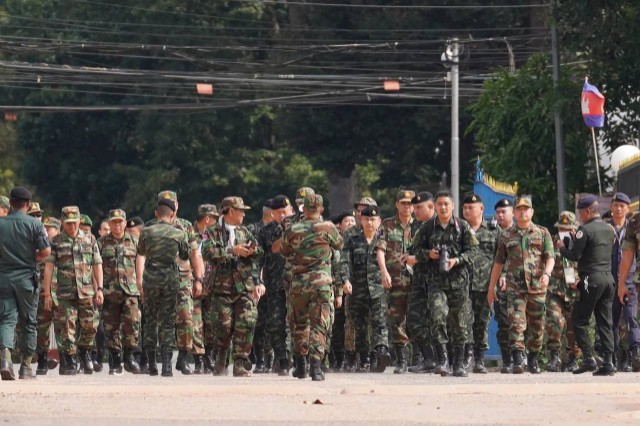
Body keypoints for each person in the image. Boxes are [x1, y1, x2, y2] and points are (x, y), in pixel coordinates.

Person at [413, 189, 478, 377]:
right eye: (440, 204)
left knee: (459, 322)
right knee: (437, 315)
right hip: (436, 283)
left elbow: (474, 251)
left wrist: (457, 260)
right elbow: (413, 250)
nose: (443, 208)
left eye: (446, 204)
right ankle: (442, 361)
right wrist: (428, 254)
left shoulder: (462, 227)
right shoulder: (427, 228)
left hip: (458, 283)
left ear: (452, 206)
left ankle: (458, 363)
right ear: (435, 206)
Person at [488, 196, 554, 375]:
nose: (523, 212)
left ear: (532, 212)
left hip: (537, 287)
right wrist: (491, 288)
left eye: (526, 209)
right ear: (515, 213)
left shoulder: (542, 233)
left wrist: (547, 273)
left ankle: (533, 359)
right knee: (516, 323)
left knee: (537, 326)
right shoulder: (506, 235)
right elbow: (498, 263)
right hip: (515, 288)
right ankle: (518, 358)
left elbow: (550, 257)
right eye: (519, 209)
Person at [281, 193, 343, 381]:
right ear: (321, 209)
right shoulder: (328, 227)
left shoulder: (293, 228)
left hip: (299, 284)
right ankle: (316, 368)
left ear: (304, 209)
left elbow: (284, 251)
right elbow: (339, 244)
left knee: (299, 324)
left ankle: (301, 367)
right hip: (321, 284)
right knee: (319, 325)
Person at [202, 196, 264, 377]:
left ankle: (240, 362)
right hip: (221, 287)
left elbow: (260, 252)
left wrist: (252, 251)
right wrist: (232, 250)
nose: (243, 214)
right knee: (222, 326)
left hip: (244, 286)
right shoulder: (212, 231)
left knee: (247, 322)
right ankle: (221, 358)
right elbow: (207, 252)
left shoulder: (244, 231)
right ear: (230, 211)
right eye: (240, 211)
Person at [558, 194, 616, 375]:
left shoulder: (584, 230)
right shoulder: (608, 228)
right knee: (604, 321)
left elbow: (574, 255)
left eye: (581, 212)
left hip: (591, 278)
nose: (580, 216)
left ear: (589, 211)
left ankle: (589, 358)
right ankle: (608, 362)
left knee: (579, 319)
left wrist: (561, 247)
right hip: (608, 278)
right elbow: (596, 249)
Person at [44, 206, 103, 375]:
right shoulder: (56, 242)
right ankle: (70, 360)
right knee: (67, 327)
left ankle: (84, 351)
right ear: (62, 222)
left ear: (79, 221)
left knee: (90, 325)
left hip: (86, 291)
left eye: (74, 222)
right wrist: (48, 293)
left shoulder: (90, 239)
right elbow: (49, 267)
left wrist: (99, 288)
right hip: (65, 292)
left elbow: (97, 264)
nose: (72, 226)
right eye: (68, 223)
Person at [0, 187, 51, 380]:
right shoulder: (35, 224)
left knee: (6, 319)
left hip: (4, 278)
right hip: (27, 280)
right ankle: (26, 367)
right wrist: (35, 256)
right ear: (28, 204)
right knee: (29, 321)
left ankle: (5, 360)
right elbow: (46, 251)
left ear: (10, 203)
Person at [136, 198, 191, 377]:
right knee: (168, 322)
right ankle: (167, 365)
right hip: (170, 281)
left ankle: (152, 364)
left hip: (151, 281)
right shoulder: (179, 233)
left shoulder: (146, 232)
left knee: (150, 321)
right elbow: (185, 254)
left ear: (156, 213)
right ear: (173, 214)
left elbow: (141, 251)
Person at [341, 205, 391, 373]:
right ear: (361, 220)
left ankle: (381, 352)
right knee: (360, 325)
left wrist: (386, 275)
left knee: (380, 321)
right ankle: (364, 359)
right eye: (366, 219)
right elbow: (345, 261)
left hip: (377, 288)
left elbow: (387, 258)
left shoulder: (383, 237)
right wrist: (345, 280)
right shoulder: (352, 239)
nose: (370, 223)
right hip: (358, 288)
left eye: (373, 220)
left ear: (379, 221)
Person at [97, 209, 141, 375]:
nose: (117, 225)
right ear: (109, 223)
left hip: (130, 290)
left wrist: (141, 284)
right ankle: (115, 360)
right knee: (111, 327)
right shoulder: (101, 243)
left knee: (132, 322)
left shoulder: (135, 241)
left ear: (125, 222)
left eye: (120, 221)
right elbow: (96, 266)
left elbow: (141, 263)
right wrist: (98, 288)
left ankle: (129, 356)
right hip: (109, 291)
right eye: (114, 222)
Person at [376, 190, 415, 374]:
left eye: (410, 203)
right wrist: (384, 272)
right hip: (395, 279)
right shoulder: (387, 225)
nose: (407, 206)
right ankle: (402, 360)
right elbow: (380, 250)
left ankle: (419, 358)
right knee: (396, 319)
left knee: (417, 319)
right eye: (403, 203)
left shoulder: (420, 225)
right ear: (397, 204)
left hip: (416, 280)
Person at [461, 194, 499, 374]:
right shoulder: (459, 229)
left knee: (482, 322)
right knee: (465, 320)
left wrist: (500, 279)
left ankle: (480, 358)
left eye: (471, 207)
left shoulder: (493, 231)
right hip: (463, 284)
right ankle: (468, 356)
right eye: (465, 208)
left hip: (485, 284)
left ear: (482, 209)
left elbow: (502, 258)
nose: (467, 211)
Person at [256, 195, 292, 376]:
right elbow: (259, 259)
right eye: (279, 213)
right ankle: (282, 359)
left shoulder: (300, 228)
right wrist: (257, 281)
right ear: (272, 214)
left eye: (285, 211)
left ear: (291, 210)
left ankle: (300, 359)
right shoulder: (265, 232)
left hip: (297, 284)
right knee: (276, 324)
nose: (283, 215)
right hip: (274, 285)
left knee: (298, 324)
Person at [605, 193, 640, 371]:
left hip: (630, 279)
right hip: (609, 280)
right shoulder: (604, 228)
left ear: (628, 209)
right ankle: (612, 357)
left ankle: (634, 354)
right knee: (611, 319)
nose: (619, 209)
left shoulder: (632, 225)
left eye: (622, 206)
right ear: (611, 207)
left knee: (631, 318)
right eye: (616, 205)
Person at [403, 191, 436, 373]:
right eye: (414, 207)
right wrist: (407, 256)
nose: (415, 211)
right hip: (419, 279)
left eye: (419, 207)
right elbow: (415, 247)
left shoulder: (440, 224)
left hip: (437, 280)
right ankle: (429, 358)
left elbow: (437, 251)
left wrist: (417, 257)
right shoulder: (416, 225)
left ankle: (445, 359)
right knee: (413, 319)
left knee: (438, 320)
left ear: (431, 206)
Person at [545, 211, 580, 372]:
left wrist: (581, 280)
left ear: (575, 228)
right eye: (561, 228)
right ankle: (554, 357)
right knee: (554, 321)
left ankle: (573, 358)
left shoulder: (581, 243)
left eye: (568, 228)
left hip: (576, 291)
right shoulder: (550, 242)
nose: (564, 231)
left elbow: (590, 264)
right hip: (555, 290)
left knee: (575, 326)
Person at [192, 204, 219, 374]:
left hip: (212, 285)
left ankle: (209, 356)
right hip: (194, 284)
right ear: (207, 219)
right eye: (215, 218)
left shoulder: (216, 236)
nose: (217, 221)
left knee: (211, 322)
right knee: (195, 323)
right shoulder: (189, 234)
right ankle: (198, 360)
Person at [35, 217, 61, 375]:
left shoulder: (63, 248)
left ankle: (67, 359)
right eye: (44, 227)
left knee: (63, 328)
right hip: (41, 294)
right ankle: (42, 360)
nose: (46, 230)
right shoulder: (38, 247)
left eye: (49, 228)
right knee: (42, 328)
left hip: (61, 293)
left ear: (57, 230)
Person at [492, 198, 516, 373]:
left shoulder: (520, 232)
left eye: (504, 212)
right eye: (498, 212)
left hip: (519, 284)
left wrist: (506, 275)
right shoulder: (493, 233)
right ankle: (508, 360)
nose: (500, 215)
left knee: (520, 323)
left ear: (512, 213)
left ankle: (522, 358)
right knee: (503, 322)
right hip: (499, 286)